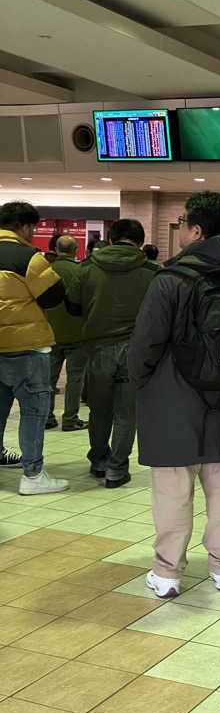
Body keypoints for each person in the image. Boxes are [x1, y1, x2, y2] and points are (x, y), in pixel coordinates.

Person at [128, 192, 220, 597]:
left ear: (195, 230)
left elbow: (145, 346)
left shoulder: (171, 281)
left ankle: (168, 574)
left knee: (174, 488)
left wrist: (143, 383)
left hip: (172, 401)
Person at [66, 218, 158, 487]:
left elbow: (73, 306)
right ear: (140, 242)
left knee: (99, 409)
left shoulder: (86, 268)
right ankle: (117, 469)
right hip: (135, 349)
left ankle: (98, 460)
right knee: (127, 413)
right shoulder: (151, 272)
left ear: (112, 236)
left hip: (98, 347)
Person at [0, 201, 68, 494]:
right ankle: (32, 476)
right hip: (25, 345)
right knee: (33, 411)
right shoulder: (29, 256)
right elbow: (53, 296)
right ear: (25, 227)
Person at [45, 235, 88, 432]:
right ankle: (70, 419)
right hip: (77, 334)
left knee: (49, 379)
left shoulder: (45, 271)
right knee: (75, 379)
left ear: (56, 249)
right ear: (76, 250)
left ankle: (47, 417)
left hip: (50, 333)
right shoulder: (81, 272)